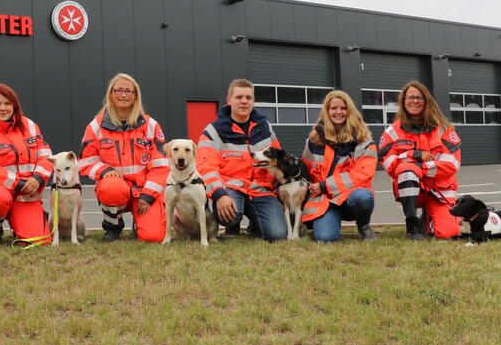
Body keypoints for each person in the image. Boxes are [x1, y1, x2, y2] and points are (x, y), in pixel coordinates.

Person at [79, 73, 168, 242]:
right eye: (119, 90)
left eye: (129, 91)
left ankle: (139, 222)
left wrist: (148, 195)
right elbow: (86, 161)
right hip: (115, 188)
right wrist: (105, 171)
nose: (123, 95)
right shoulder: (96, 126)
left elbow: (161, 166)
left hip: (143, 192)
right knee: (112, 187)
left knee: (153, 236)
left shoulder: (150, 125)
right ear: (111, 95)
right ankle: (113, 227)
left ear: (135, 96)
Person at [197, 79, 288, 241]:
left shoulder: (265, 127)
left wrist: (283, 186)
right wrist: (219, 195)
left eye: (248, 97)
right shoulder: (213, 131)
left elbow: (277, 160)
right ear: (229, 100)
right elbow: (207, 168)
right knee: (231, 215)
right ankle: (233, 225)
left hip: (261, 191)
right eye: (239, 97)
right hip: (231, 189)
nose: (244, 101)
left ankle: (255, 224)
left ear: (254, 101)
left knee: (278, 235)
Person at [0, 84, 54, 247]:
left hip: (26, 195)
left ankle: (20, 224)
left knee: (39, 241)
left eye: (7, 103)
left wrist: (38, 179)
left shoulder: (29, 126)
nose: (3, 108)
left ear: (14, 105)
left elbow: (45, 156)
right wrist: (19, 183)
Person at [379, 80, 461, 239]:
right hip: (412, 190)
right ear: (403, 101)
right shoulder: (392, 132)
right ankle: (412, 222)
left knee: (448, 233)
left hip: (440, 190)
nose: (414, 101)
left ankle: (428, 219)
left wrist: (418, 166)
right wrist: (414, 155)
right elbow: (389, 164)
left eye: (419, 97)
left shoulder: (444, 129)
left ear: (427, 101)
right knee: (405, 171)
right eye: (410, 97)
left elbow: (452, 165)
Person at [301, 90, 378, 242]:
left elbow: (362, 175)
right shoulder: (314, 141)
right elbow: (305, 171)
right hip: (325, 201)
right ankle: (321, 225)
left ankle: (363, 226)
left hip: (350, 198)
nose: (338, 112)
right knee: (326, 239)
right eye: (334, 108)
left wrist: (324, 185)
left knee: (363, 197)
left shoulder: (363, 141)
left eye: (343, 108)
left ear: (349, 111)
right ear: (327, 111)